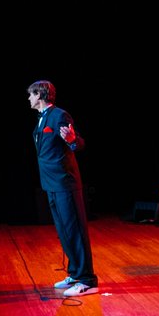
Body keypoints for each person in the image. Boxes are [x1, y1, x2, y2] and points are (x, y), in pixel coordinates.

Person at [28, 80, 98, 298]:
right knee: (64, 232)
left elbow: (79, 143)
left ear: (40, 95)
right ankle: (75, 274)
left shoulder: (59, 115)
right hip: (50, 183)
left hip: (64, 182)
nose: (28, 98)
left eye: (30, 95)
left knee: (75, 230)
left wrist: (72, 140)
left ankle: (88, 280)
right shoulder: (42, 120)